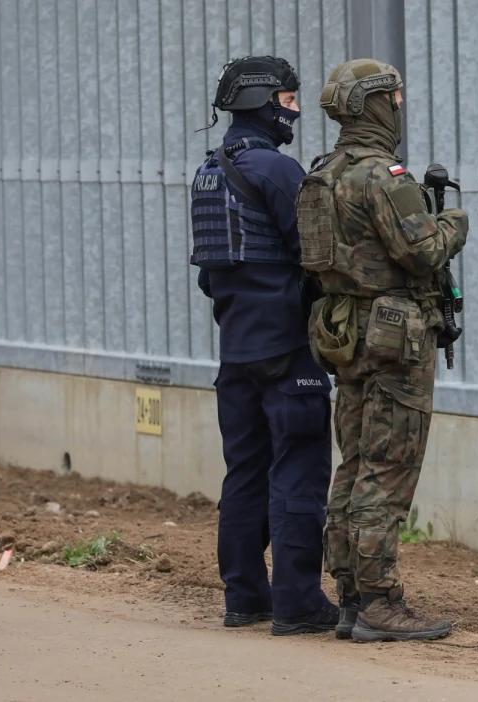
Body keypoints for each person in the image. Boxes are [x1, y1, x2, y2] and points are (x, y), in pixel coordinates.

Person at [297, 58, 469, 642]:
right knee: (388, 468)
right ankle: (379, 601)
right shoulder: (381, 175)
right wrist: (454, 222)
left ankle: (351, 597)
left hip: (344, 334)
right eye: (393, 98)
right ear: (375, 104)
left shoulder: (322, 174)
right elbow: (422, 253)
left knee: (353, 464)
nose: (398, 107)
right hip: (395, 338)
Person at [189, 55, 338, 636]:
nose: (294, 112)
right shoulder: (276, 169)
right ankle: (298, 603)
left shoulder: (209, 171)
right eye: (289, 101)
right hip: (287, 352)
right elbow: (318, 255)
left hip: (236, 352)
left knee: (244, 475)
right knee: (297, 472)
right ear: (261, 101)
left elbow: (211, 276)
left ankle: (245, 598)